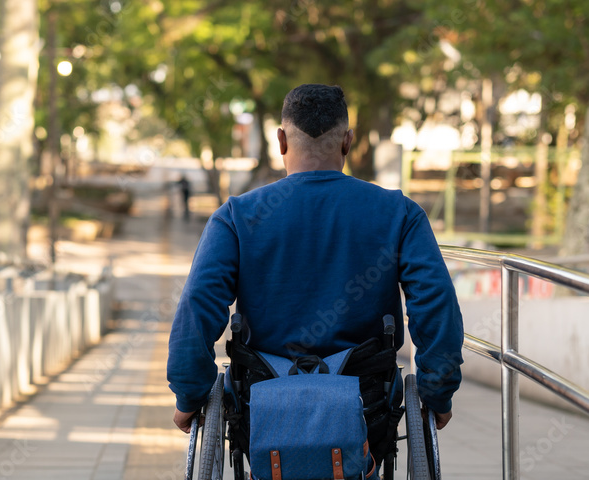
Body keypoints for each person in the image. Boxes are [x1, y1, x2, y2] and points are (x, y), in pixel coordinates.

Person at [167, 84, 463, 458]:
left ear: (280, 140)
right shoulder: (397, 212)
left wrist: (189, 392)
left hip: (263, 399)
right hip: (366, 400)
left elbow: (199, 304)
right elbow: (436, 302)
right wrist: (438, 390)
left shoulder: (238, 216)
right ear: (348, 141)